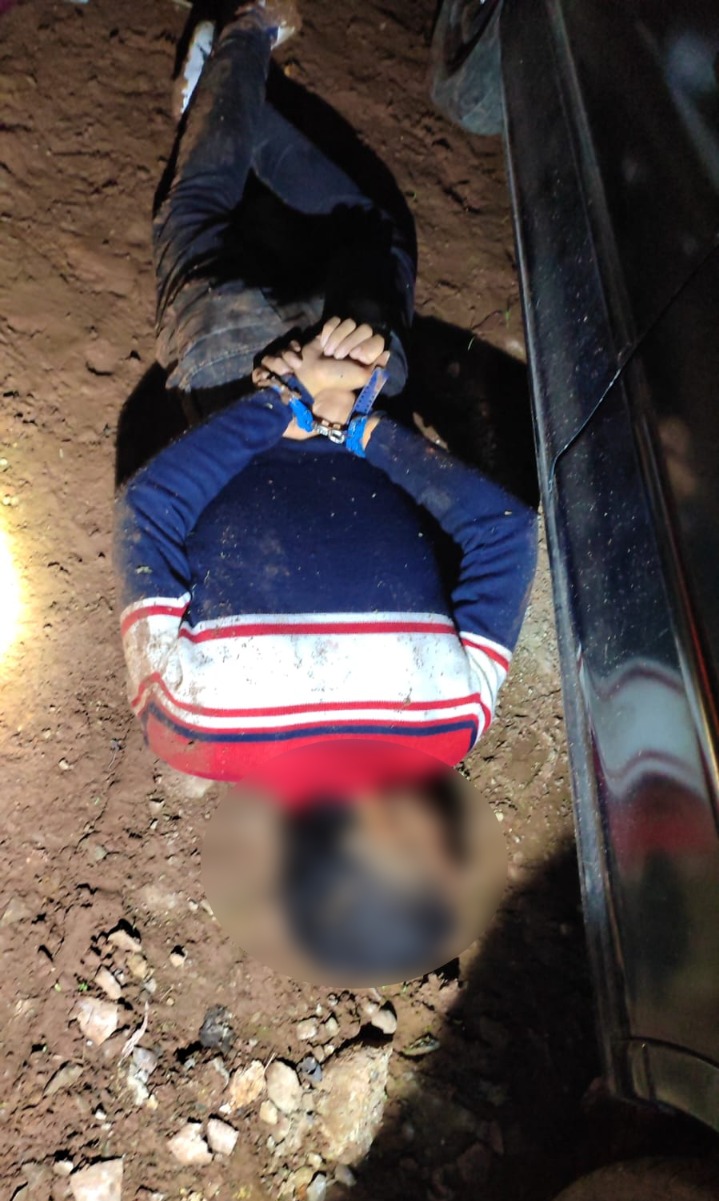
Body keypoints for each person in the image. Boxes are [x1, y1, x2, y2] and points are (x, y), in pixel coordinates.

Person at [114, 0, 537, 975]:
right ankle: (234, 63)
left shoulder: (453, 722)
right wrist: (301, 407)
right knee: (210, 225)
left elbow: (504, 530)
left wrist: (340, 414)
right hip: (257, 387)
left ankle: (238, 64)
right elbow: (149, 508)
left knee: (364, 233)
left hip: (338, 382)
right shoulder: (185, 727)